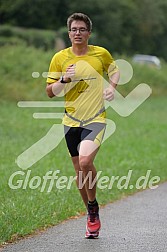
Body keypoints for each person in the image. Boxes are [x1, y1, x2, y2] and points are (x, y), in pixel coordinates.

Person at [46, 12, 119, 238]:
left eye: (82, 29)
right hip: (71, 121)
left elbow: (114, 70)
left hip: (96, 118)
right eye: (74, 30)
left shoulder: (100, 53)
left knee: (86, 161)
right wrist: (63, 80)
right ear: (69, 34)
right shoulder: (60, 58)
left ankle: (94, 205)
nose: (78, 33)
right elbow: (50, 92)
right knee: (79, 172)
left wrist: (112, 87)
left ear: (89, 33)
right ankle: (91, 213)